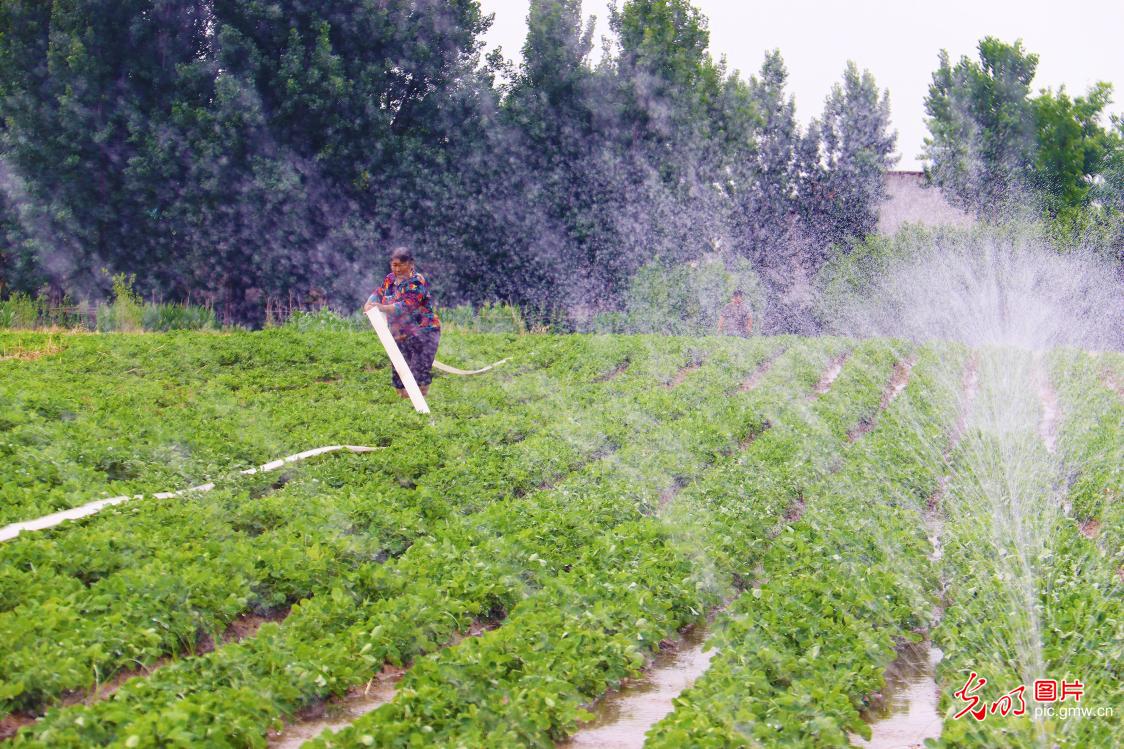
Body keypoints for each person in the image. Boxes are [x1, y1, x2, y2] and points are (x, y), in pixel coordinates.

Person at [363, 246, 442, 398]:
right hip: (400, 333)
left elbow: (405, 307)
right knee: (399, 374)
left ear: (411, 263)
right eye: (394, 265)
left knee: (419, 373)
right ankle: (404, 407)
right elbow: (379, 293)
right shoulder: (390, 279)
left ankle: (421, 407)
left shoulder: (416, 282)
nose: (397, 269)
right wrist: (369, 303)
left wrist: (382, 307)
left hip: (425, 332)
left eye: (401, 265)